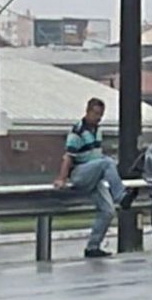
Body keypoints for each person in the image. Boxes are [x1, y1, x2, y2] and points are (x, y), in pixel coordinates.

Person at [54, 97, 137, 258]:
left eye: (101, 114)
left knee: (107, 211)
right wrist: (62, 179)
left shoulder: (97, 131)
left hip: (94, 175)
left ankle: (92, 247)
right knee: (107, 162)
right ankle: (121, 196)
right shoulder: (78, 131)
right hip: (80, 174)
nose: (98, 117)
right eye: (96, 113)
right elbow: (68, 157)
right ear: (88, 111)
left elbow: (95, 156)